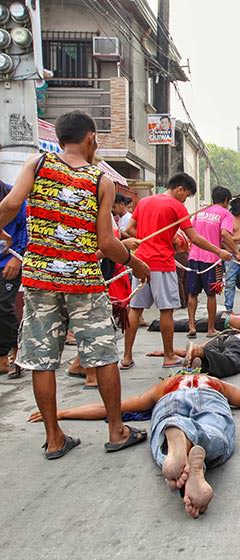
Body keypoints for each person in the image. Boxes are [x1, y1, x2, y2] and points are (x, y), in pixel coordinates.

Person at [0, 110, 151, 458]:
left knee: (41, 359)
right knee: (102, 355)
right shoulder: (101, 180)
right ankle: (116, 430)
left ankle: (54, 438)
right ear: (91, 138)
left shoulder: (38, 165)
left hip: (40, 281)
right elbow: (109, 243)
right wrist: (136, 263)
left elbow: (10, 204)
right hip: (83, 280)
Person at [28, 374, 240, 518]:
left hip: (171, 401)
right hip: (213, 401)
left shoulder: (167, 383)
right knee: (218, 435)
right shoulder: (214, 382)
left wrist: (58, 413)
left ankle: (175, 436)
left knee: (163, 429)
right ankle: (192, 443)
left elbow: (116, 408)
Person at [122, 173, 233, 369]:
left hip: (140, 262)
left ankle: (127, 357)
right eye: (187, 195)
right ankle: (169, 356)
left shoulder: (145, 201)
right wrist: (218, 251)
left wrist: (149, 238)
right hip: (162, 264)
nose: (185, 199)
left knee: (135, 310)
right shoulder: (176, 206)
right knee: (166, 311)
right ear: (179, 189)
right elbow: (194, 238)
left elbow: (131, 229)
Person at [186, 186, 240, 338]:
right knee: (212, 294)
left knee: (192, 293)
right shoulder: (226, 214)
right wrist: (236, 252)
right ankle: (210, 329)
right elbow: (224, 234)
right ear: (226, 201)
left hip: (193, 257)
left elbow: (192, 233)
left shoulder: (200, 212)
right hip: (212, 260)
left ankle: (191, 326)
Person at [0, 180, 26, 376]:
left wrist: (17, 258)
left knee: (4, 308)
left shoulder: (13, 193)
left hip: (8, 261)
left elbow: (28, 228)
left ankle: (16, 353)